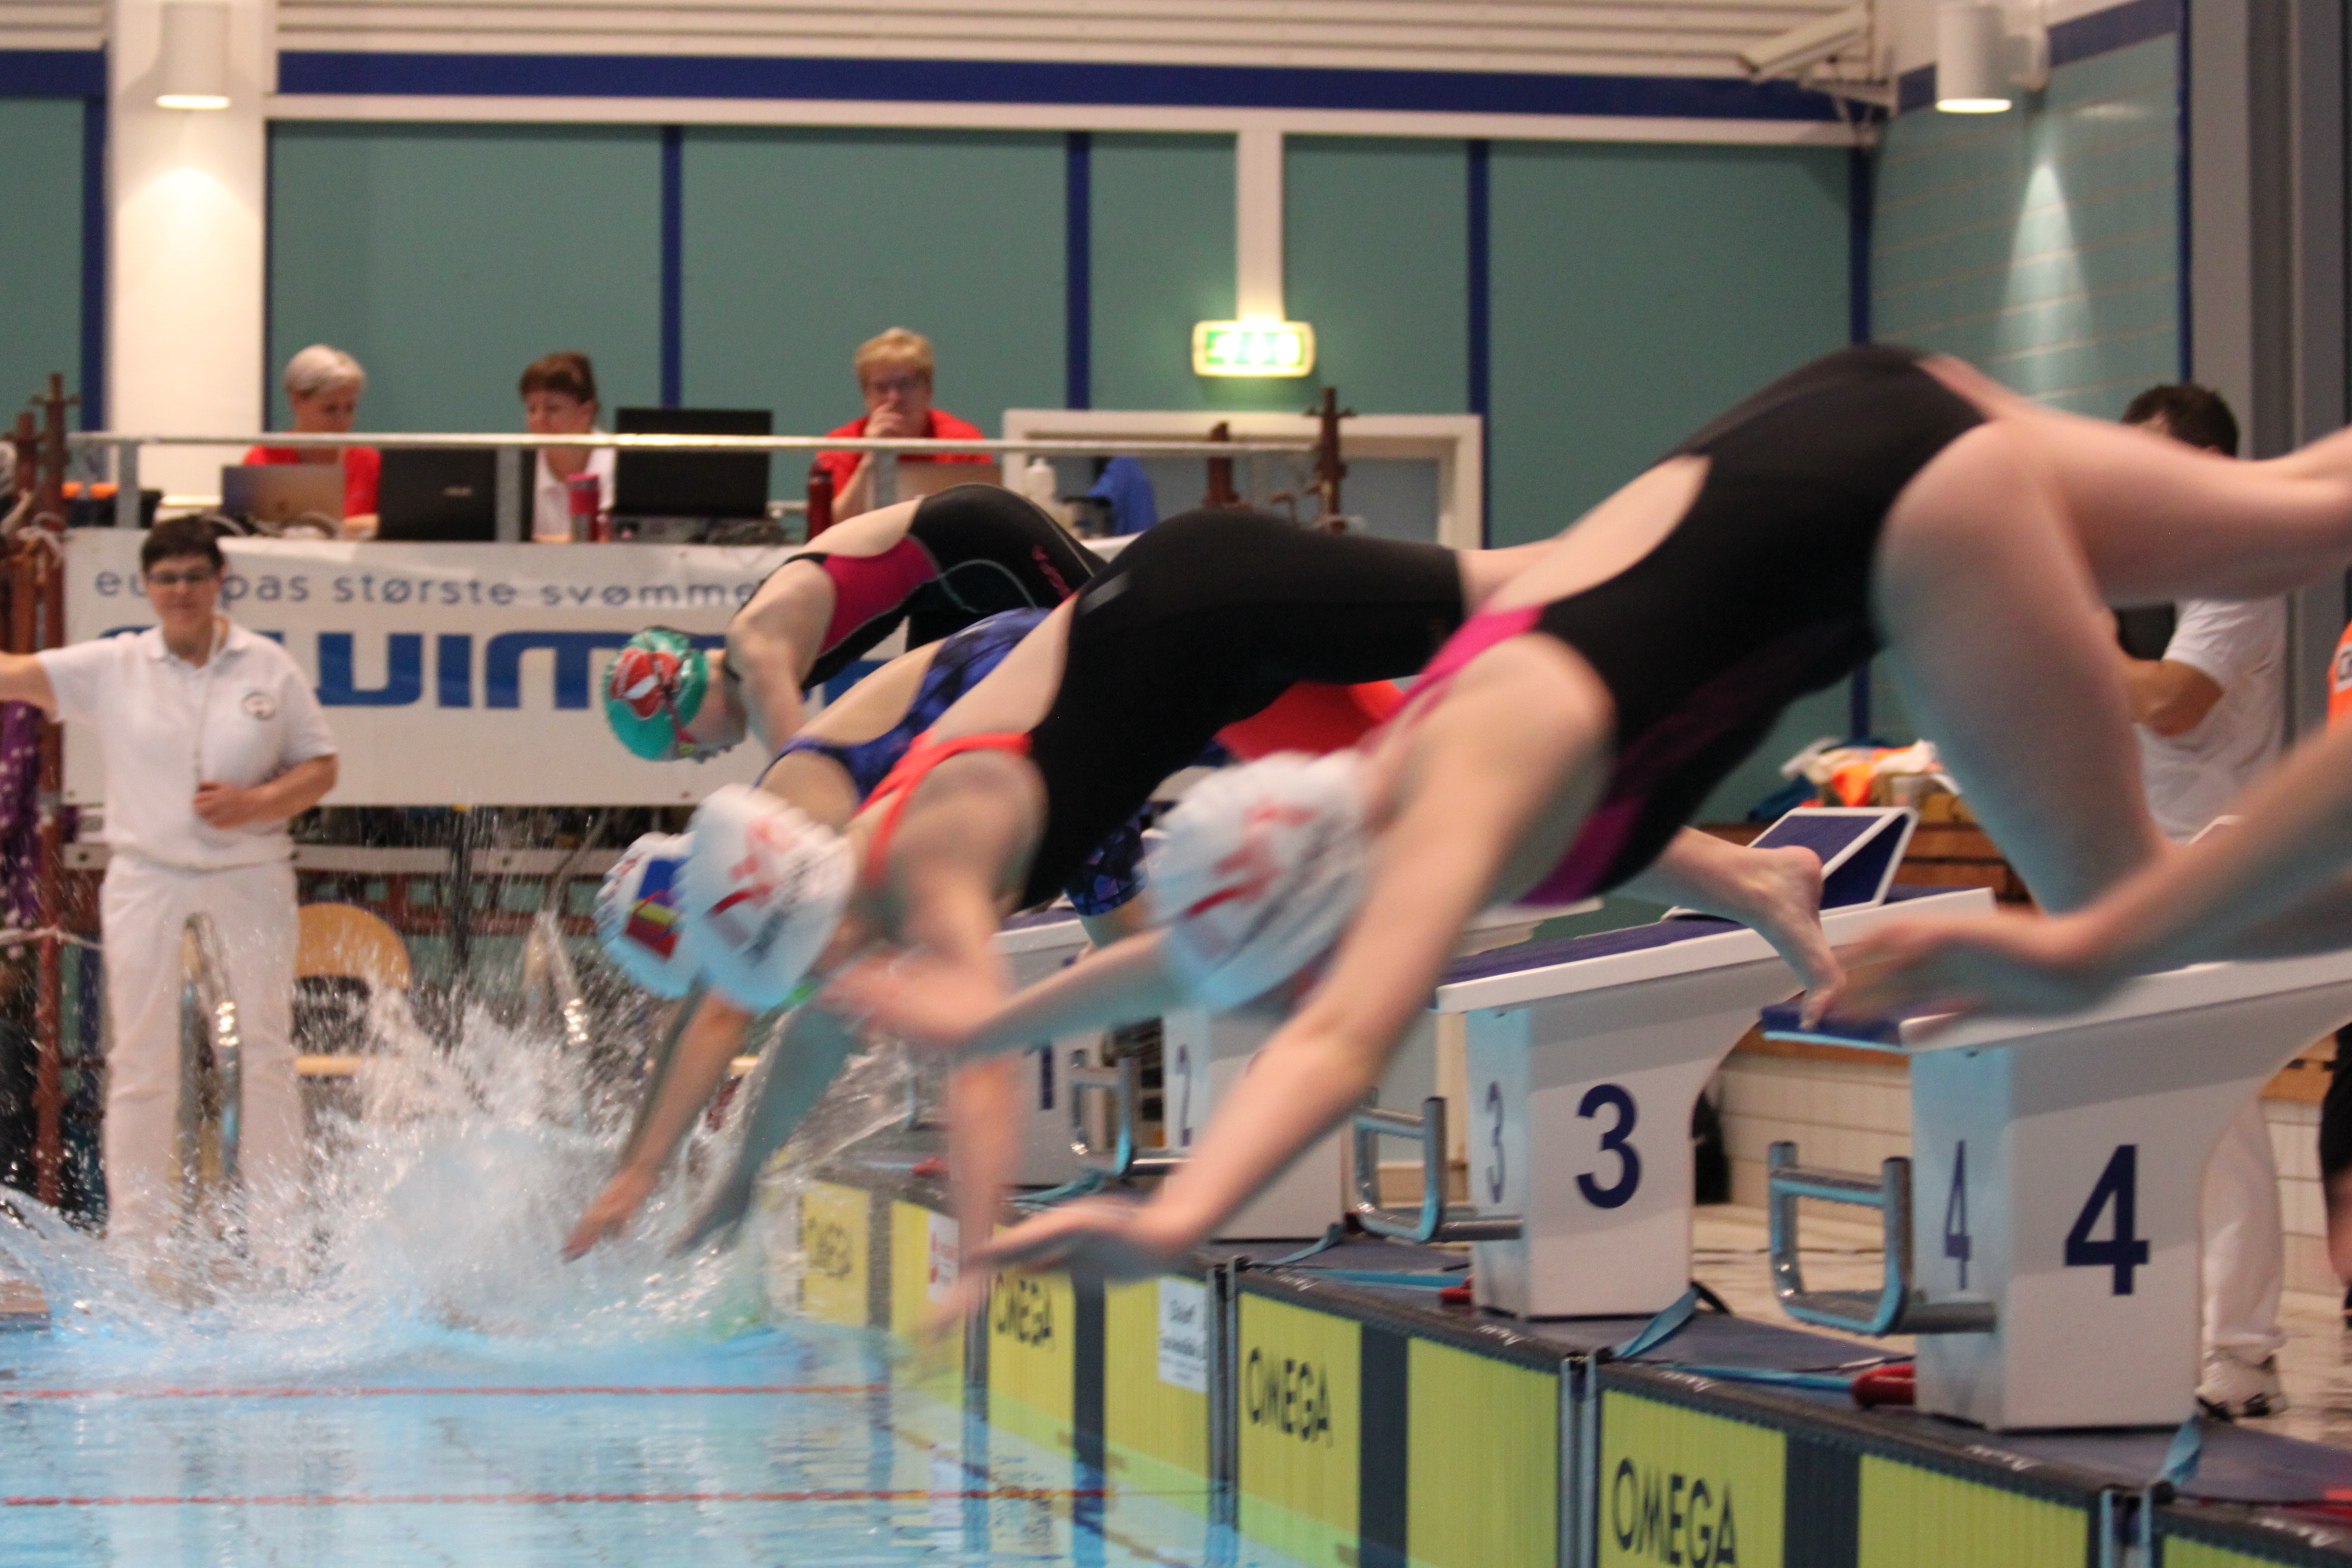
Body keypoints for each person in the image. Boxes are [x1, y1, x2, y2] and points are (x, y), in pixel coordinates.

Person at [879, 344, 2352, 1287]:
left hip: (1914, 522)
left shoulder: (1460, 799)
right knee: (2300, 512)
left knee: (2122, 914)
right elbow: (1207, 953)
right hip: (1863, 403)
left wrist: (1171, 1220)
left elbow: (1330, 1042)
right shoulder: (1364, 803)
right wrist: (992, 1023)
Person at [643, 510, 1837, 1276]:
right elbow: (829, 1030)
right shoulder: (856, 895)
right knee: (1457, 806)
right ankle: (1749, 874)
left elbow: (983, 1053)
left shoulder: (920, 854)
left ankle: (1782, 523)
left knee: (1534, 593)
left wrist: (981, 1242)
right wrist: (736, 1181)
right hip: (1198, 670)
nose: (813, 990)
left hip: (1208, 600)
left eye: (792, 968)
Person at [0, 517, 338, 1273]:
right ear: (147, 588)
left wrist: (258, 802)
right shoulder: (116, 664)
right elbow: (13, 673)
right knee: (142, 1059)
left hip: (250, 872)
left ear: (220, 581)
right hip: (146, 876)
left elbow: (321, 767)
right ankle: (138, 1247)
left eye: (193, 575)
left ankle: (279, 1239)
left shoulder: (269, 666)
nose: (180, 590)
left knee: (265, 1053)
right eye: (166, 578)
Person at [2106, 384, 2288, 1416]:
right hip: (2122, 868)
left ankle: (2243, 1351)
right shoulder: (2134, 576)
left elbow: (2174, 704)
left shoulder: (2238, 572)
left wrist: (2088, 644)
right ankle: (2152, 1326)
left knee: (2221, 1116)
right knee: (2136, 1112)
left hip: (2214, 872)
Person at [602, 486, 1100, 764]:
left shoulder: (756, 653)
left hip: (983, 542)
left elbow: (800, 793)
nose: (700, 759)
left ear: (682, 700)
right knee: (936, 759)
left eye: (685, 747)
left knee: (1122, 648)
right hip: (945, 593)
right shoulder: (751, 659)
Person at [814, 329, 991, 520]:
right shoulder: (841, 444)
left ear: (927, 390)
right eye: (881, 387)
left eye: (905, 384)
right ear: (866, 396)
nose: (894, 398)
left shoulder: (962, 441)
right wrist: (870, 458)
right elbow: (831, 526)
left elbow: (984, 519)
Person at [244, 345, 380, 529]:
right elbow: (246, 532)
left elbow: (391, 526)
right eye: (330, 409)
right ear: (296, 400)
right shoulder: (263, 460)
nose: (343, 421)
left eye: (350, 408)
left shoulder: (369, 462)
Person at [520, 351, 615, 542]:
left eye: (552, 408)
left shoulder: (617, 463)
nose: (539, 420)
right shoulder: (518, 469)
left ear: (586, 412)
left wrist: (535, 544)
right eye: (532, 409)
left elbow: (611, 540)